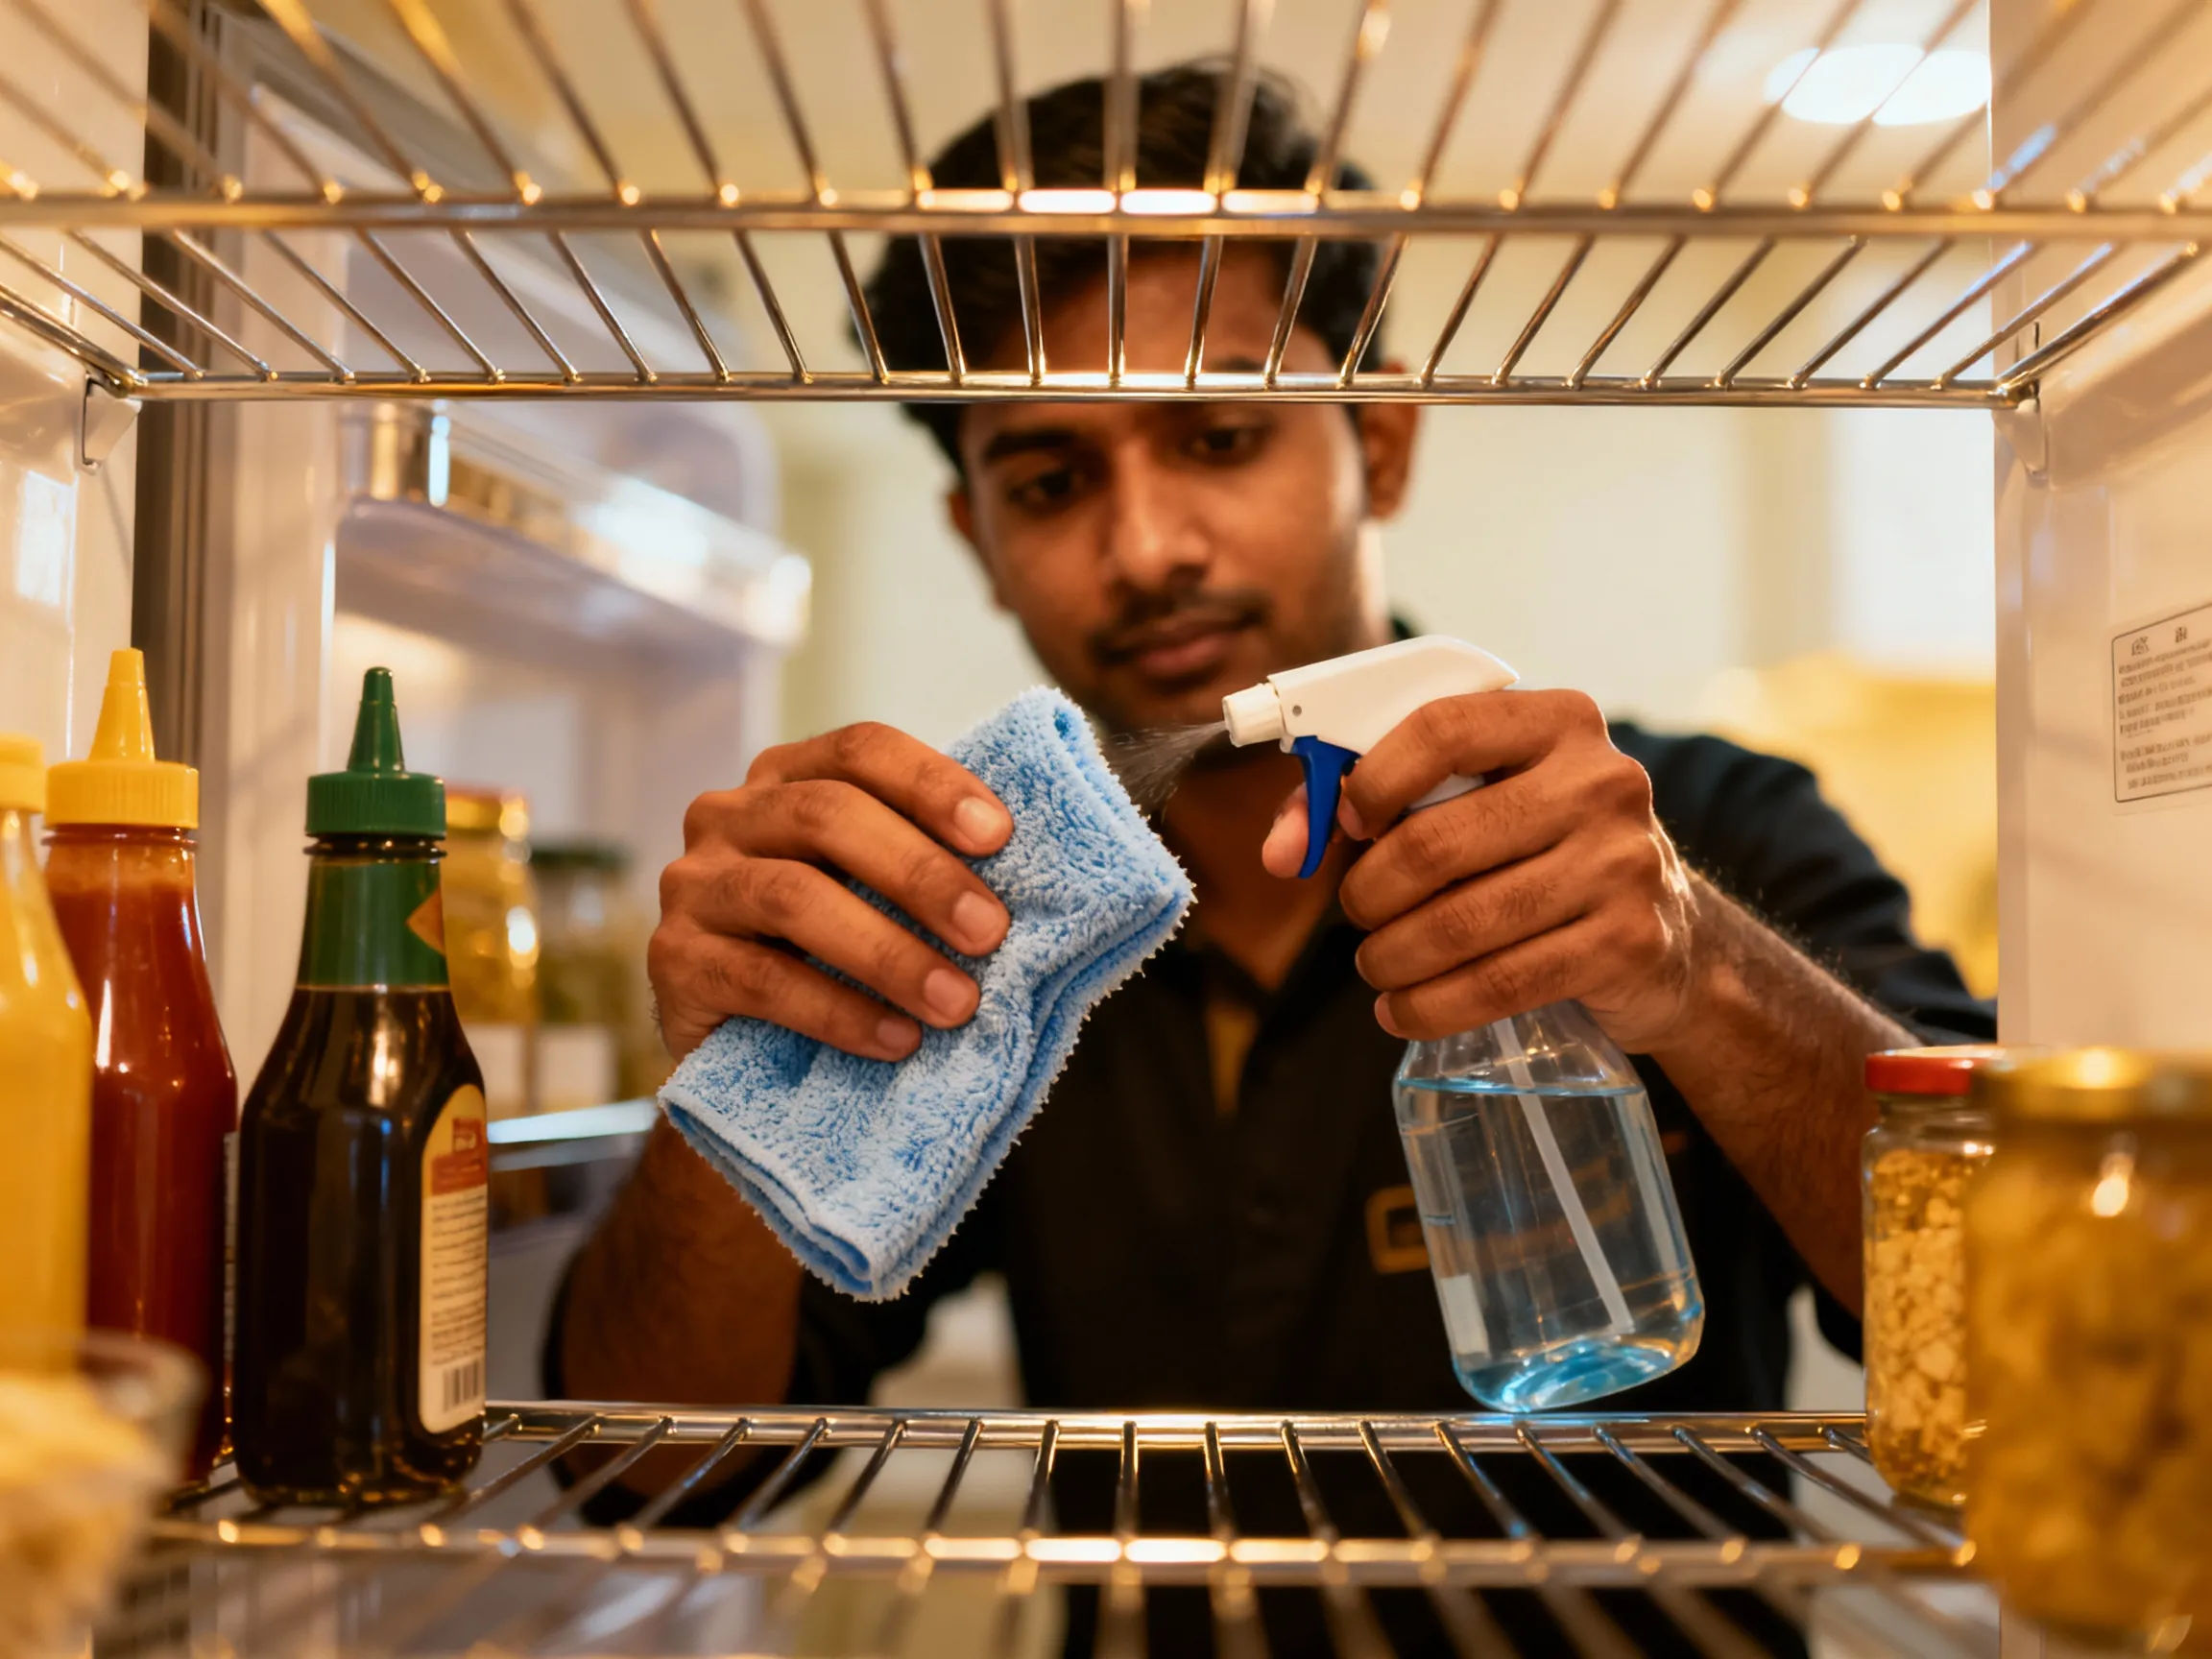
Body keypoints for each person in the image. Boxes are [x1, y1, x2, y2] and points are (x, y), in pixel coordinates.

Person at [551, 64, 1992, 1657]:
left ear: (1379, 447)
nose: (1149, 545)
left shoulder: (1707, 833)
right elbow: (647, 1473)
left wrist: (1693, 968)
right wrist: (741, 1076)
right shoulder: (975, 937)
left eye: (1220, 436)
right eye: (1050, 480)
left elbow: (2018, 1344)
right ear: (976, 536)